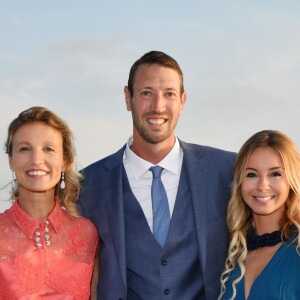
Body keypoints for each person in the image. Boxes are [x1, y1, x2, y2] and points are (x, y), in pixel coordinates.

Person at [78, 50, 236, 300]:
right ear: (128, 98)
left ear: (183, 101)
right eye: (146, 93)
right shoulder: (88, 184)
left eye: (169, 94)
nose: (158, 106)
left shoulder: (226, 170)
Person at [0, 106, 98, 299]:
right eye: (25, 149)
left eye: (48, 149)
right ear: (11, 160)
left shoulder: (87, 234)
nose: (37, 160)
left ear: (65, 161)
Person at [219, 130, 300, 300]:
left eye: (275, 174)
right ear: (240, 183)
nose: (263, 185)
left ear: (292, 181)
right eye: (251, 174)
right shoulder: (233, 255)